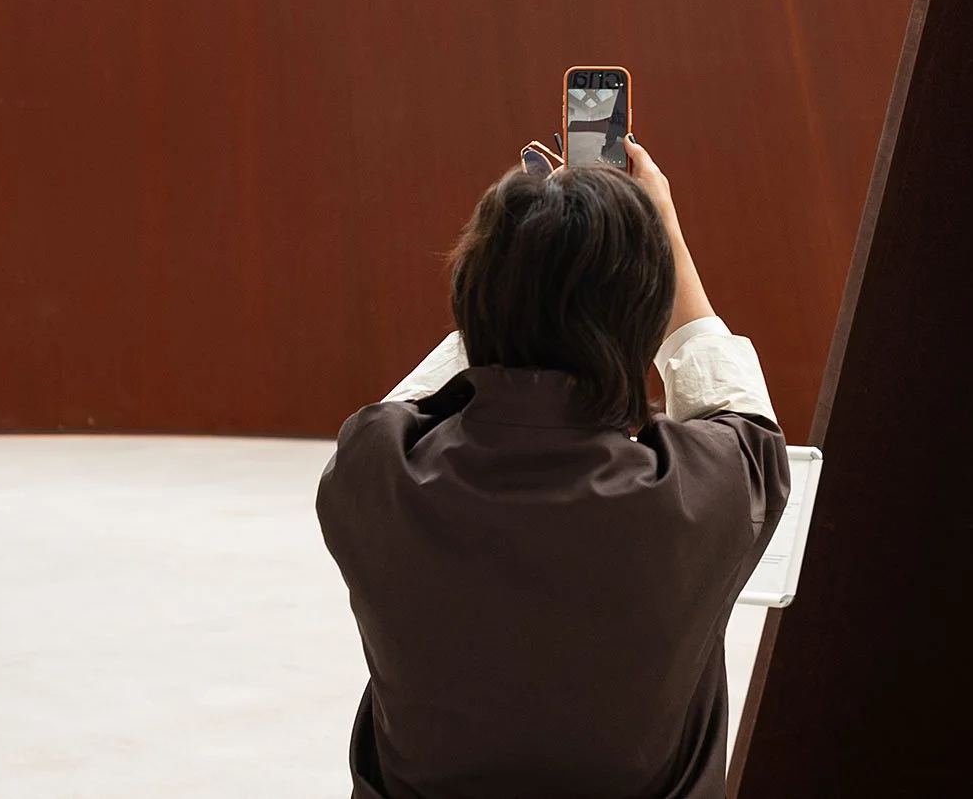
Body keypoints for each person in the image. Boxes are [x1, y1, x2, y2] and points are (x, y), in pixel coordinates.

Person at [317, 138, 791, 799]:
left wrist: (518, 265)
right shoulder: (711, 490)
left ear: (471, 293)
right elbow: (736, 405)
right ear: (644, 320)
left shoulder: (372, 473)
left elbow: (409, 401)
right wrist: (665, 233)